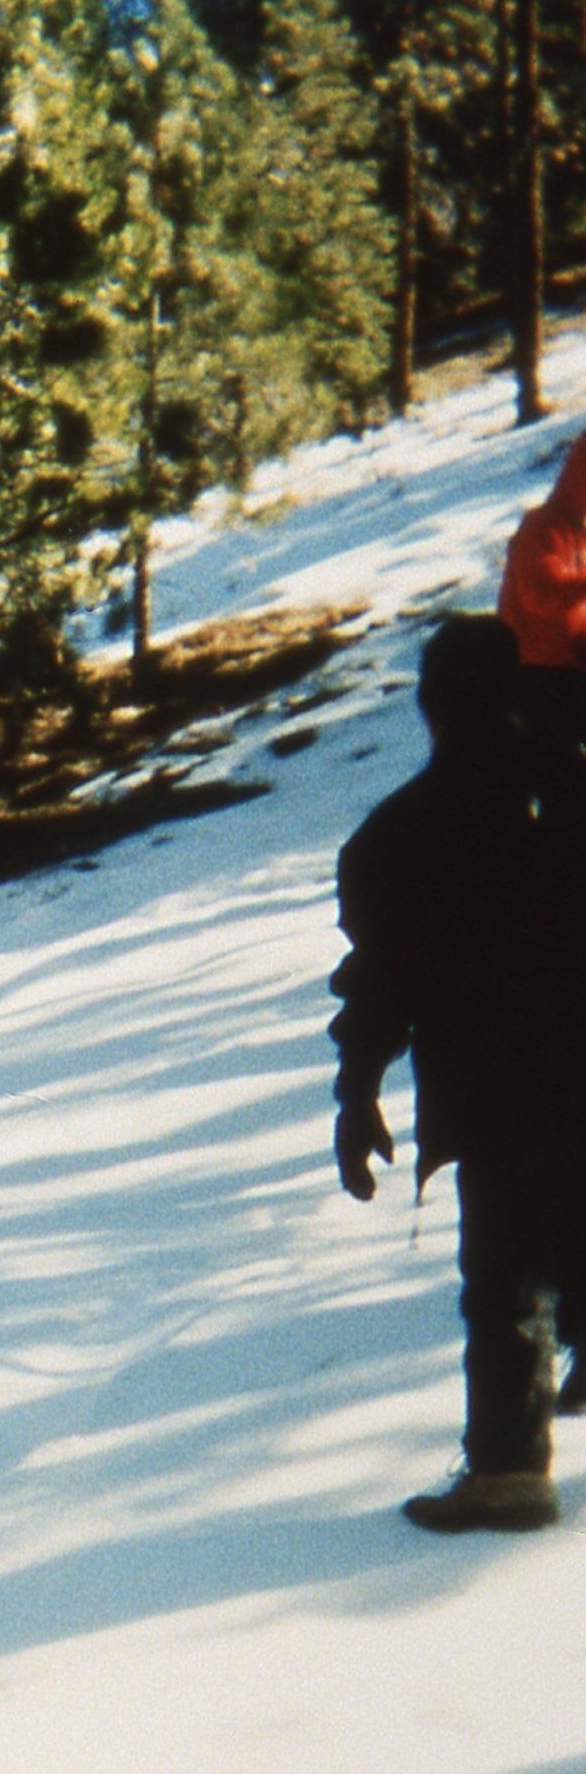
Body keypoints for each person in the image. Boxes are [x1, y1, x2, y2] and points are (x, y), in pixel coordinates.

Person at [330, 612, 586, 1533]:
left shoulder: (396, 835)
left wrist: (358, 1094)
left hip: (493, 1088)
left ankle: (509, 1475)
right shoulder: (576, 788)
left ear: (430, 706)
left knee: (507, 1278)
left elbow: (381, 979)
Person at [498, 427, 586, 768]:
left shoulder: (580, 534)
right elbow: (540, 595)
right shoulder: (540, 527)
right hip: (535, 676)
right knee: (560, 769)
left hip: (570, 666)